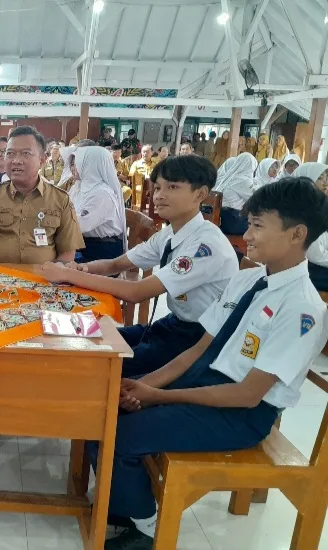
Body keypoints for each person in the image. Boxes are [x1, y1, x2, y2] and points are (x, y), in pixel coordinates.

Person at [91, 177, 328, 550]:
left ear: (297, 233)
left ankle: (146, 526)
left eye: (258, 226)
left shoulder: (303, 308)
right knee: (101, 408)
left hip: (240, 413)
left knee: (120, 436)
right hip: (203, 383)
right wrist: (145, 386)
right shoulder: (247, 280)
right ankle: (122, 506)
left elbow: (247, 395)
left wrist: (160, 396)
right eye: (249, 224)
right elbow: (197, 351)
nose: (246, 235)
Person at [41, 155, 238, 380]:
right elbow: (115, 264)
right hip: (173, 325)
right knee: (85, 339)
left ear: (200, 194)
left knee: (97, 364)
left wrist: (68, 274)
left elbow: (137, 292)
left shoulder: (206, 245)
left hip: (199, 339)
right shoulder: (169, 233)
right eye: (158, 188)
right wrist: (81, 269)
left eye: (173, 187)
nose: (159, 195)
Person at [0, 126, 84, 264]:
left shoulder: (61, 200)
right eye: (10, 153)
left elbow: (67, 252)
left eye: (25, 153)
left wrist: (52, 275)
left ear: (42, 160)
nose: (16, 160)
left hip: (43, 277)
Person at [71, 147, 127, 263]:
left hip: (103, 251)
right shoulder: (79, 187)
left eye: (77, 163)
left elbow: (80, 224)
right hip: (84, 244)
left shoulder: (102, 194)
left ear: (91, 165)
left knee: (54, 267)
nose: (73, 168)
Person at [294, 163, 328, 292]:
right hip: (309, 270)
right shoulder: (303, 211)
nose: (325, 182)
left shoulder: (318, 206)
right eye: (320, 178)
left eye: (326, 177)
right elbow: (315, 255)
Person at [214, 152, 258, 235]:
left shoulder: (230, 177)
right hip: (234, 222)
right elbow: (257, 198)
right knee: (262, 224)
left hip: (224, 219)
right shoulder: (242, 180)